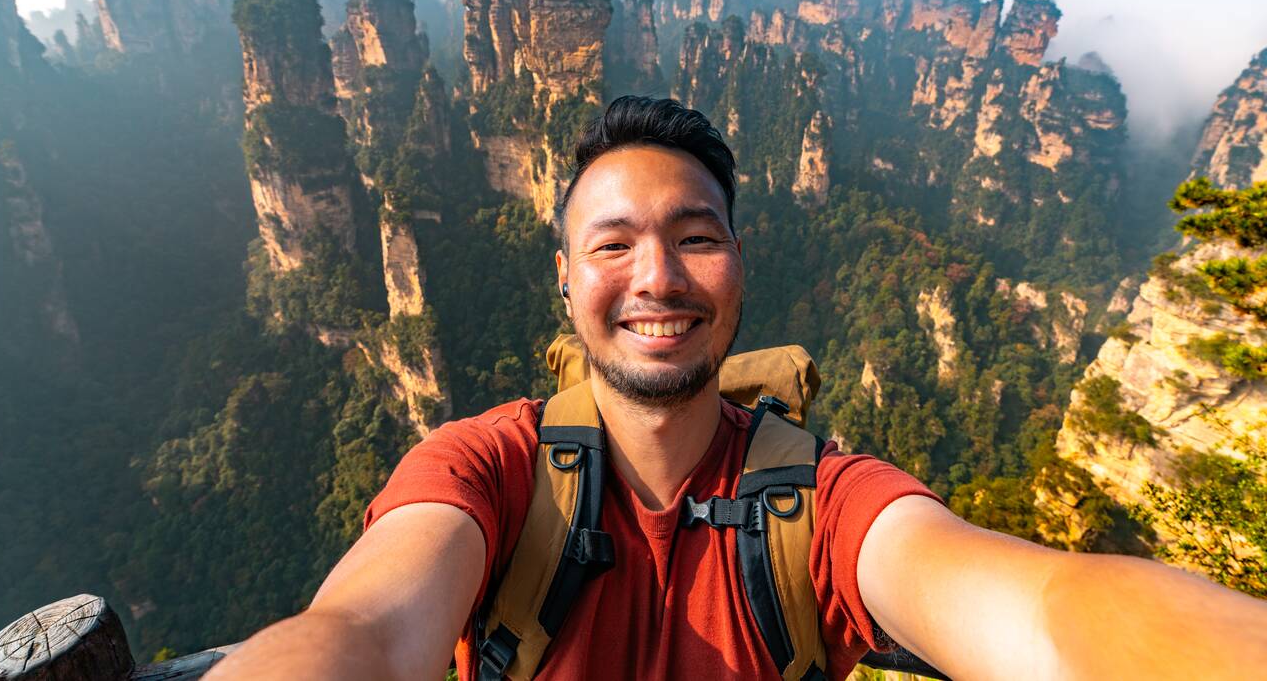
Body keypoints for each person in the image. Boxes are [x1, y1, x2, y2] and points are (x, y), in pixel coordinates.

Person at [210, 97, 1267, 680]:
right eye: (611, 243)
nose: (657, 278)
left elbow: (1041, 609)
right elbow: (360, 631)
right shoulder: (484, 465)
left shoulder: (827, 504)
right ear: (564, 279)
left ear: (740, 264)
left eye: (695, 237)